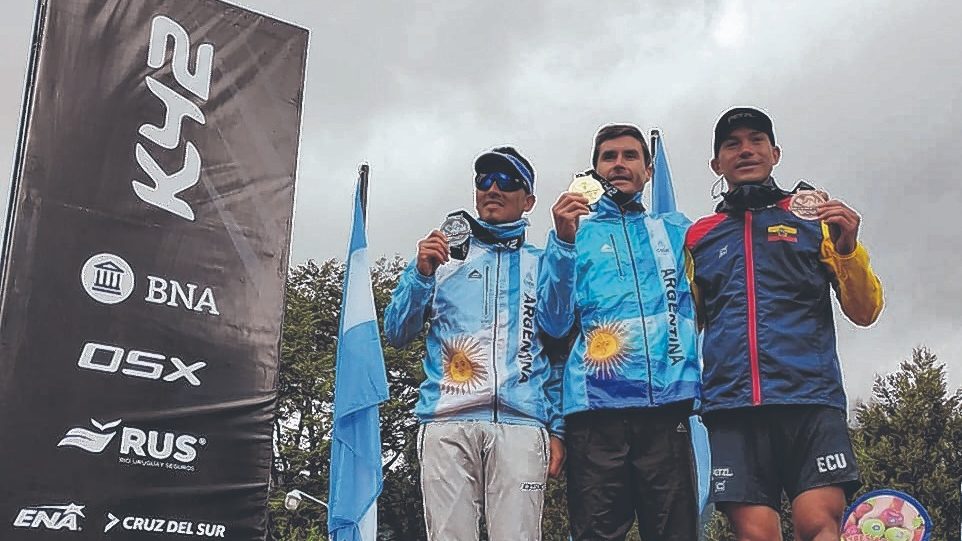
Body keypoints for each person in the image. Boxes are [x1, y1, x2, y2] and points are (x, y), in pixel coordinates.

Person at [684, 107, 884, 541]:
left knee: (819, 526)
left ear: (775, 153)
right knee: (756, 536)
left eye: (756, 140)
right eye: (732, 144)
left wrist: (847, 247)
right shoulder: (699, 236)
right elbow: (684, 322)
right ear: (716, 163)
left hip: (810, 399)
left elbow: (865, 310)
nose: (746, 150)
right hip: (732, 407)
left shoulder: (815, 220)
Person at [384, 146, 564, 541]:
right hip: (447, 421)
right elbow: (396, 331)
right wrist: (421, 274)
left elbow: (557, 352)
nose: (493, 188)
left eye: (507, 181)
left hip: (521, 424)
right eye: (484, 180)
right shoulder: (441, 259)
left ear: (529, 200)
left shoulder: (543, 263)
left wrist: (559, 429)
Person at [540, 124, 702, 540]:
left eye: (630, 156)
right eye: (608, 157)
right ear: (594, 170)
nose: (618, 164)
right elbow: (553, 322)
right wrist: (561, 244)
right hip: (596, 412)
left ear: (647, 170)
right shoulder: (575, 232)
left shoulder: (676, 230)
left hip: (667, 408)